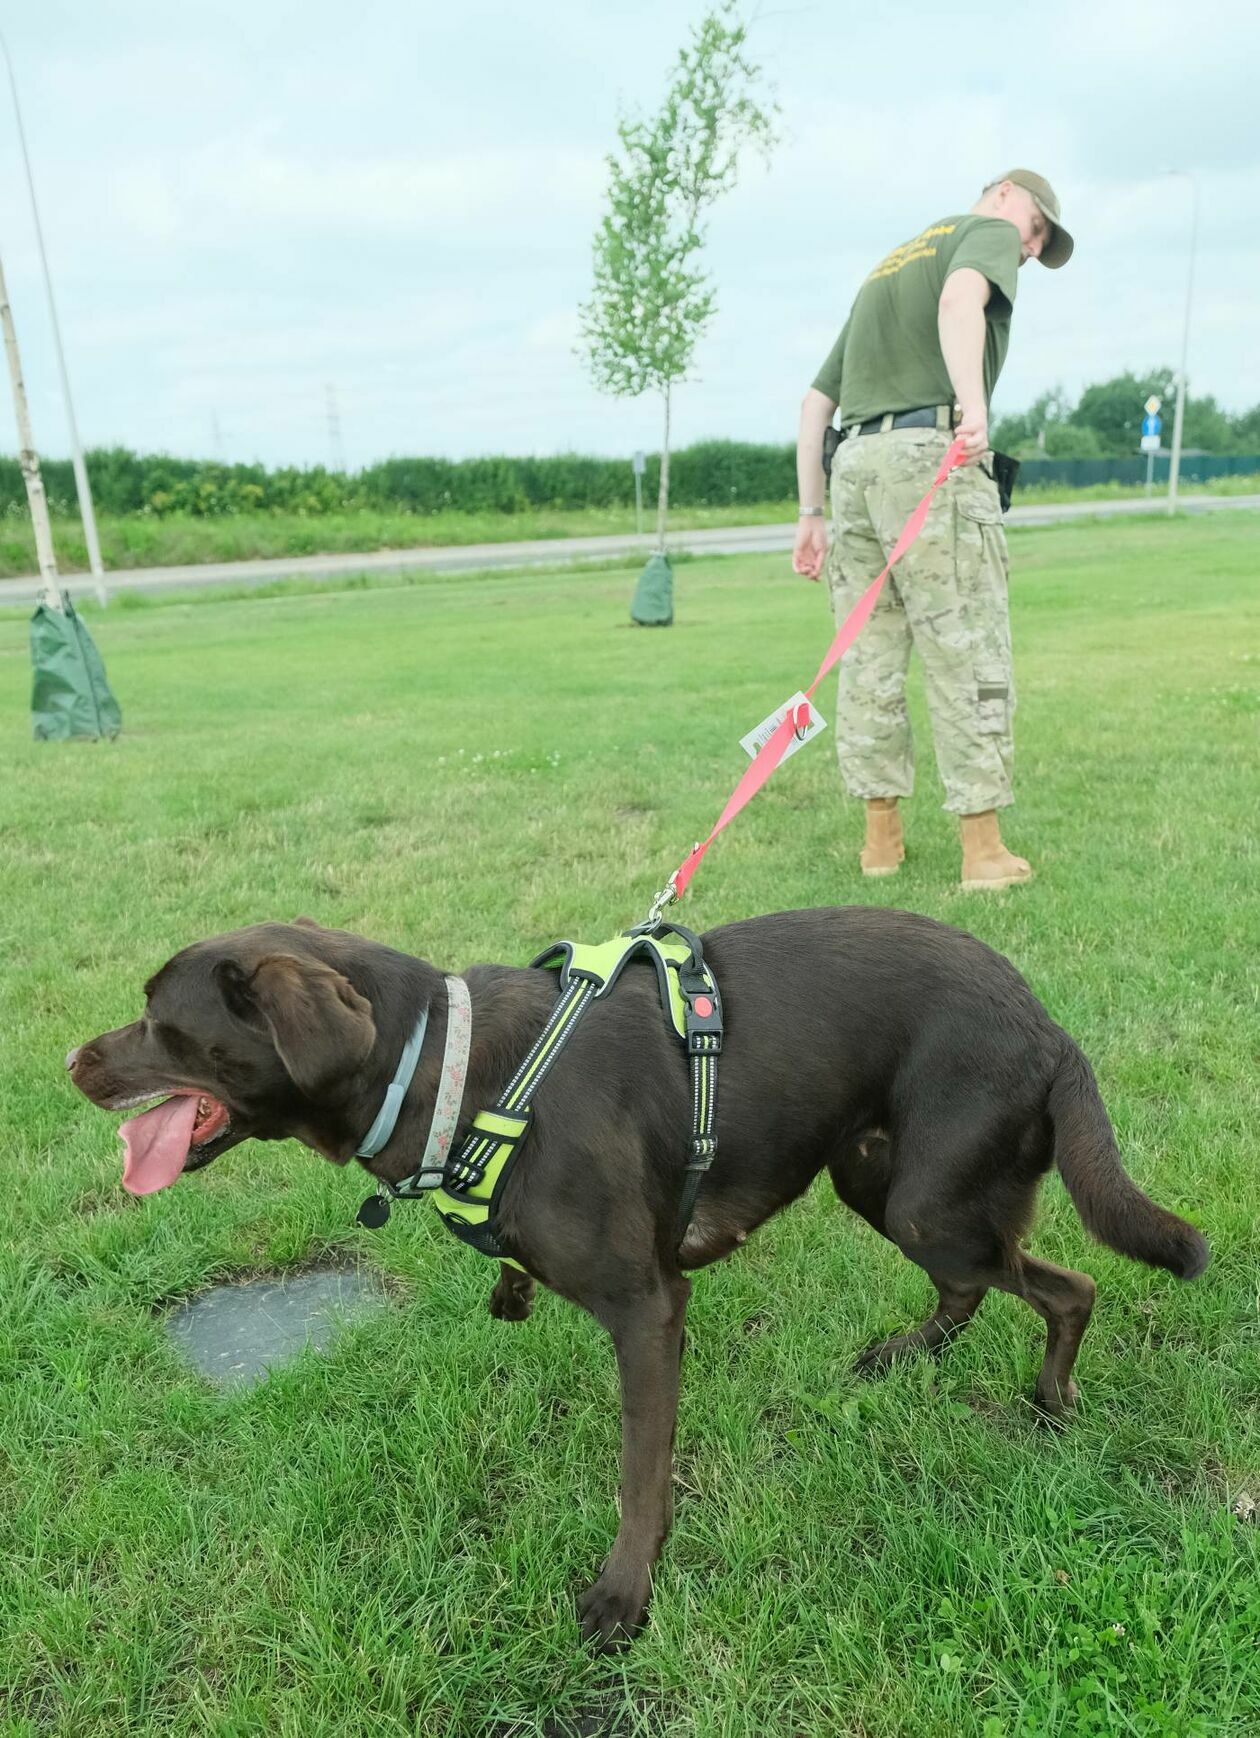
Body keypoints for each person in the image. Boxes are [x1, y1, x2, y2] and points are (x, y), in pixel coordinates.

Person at [792, 169, 1073, 890]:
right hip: (928, 458)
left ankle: (880, 846)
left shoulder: (888, 268)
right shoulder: (983, 233)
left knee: (870, 658)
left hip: (853, 466)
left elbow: (815, 403)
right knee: (968, 648)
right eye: (1036, 231)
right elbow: (960, 301)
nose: (1032, 252)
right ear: (1007, 194)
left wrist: (811, 512)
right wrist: (972, 406)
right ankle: (982, 851)